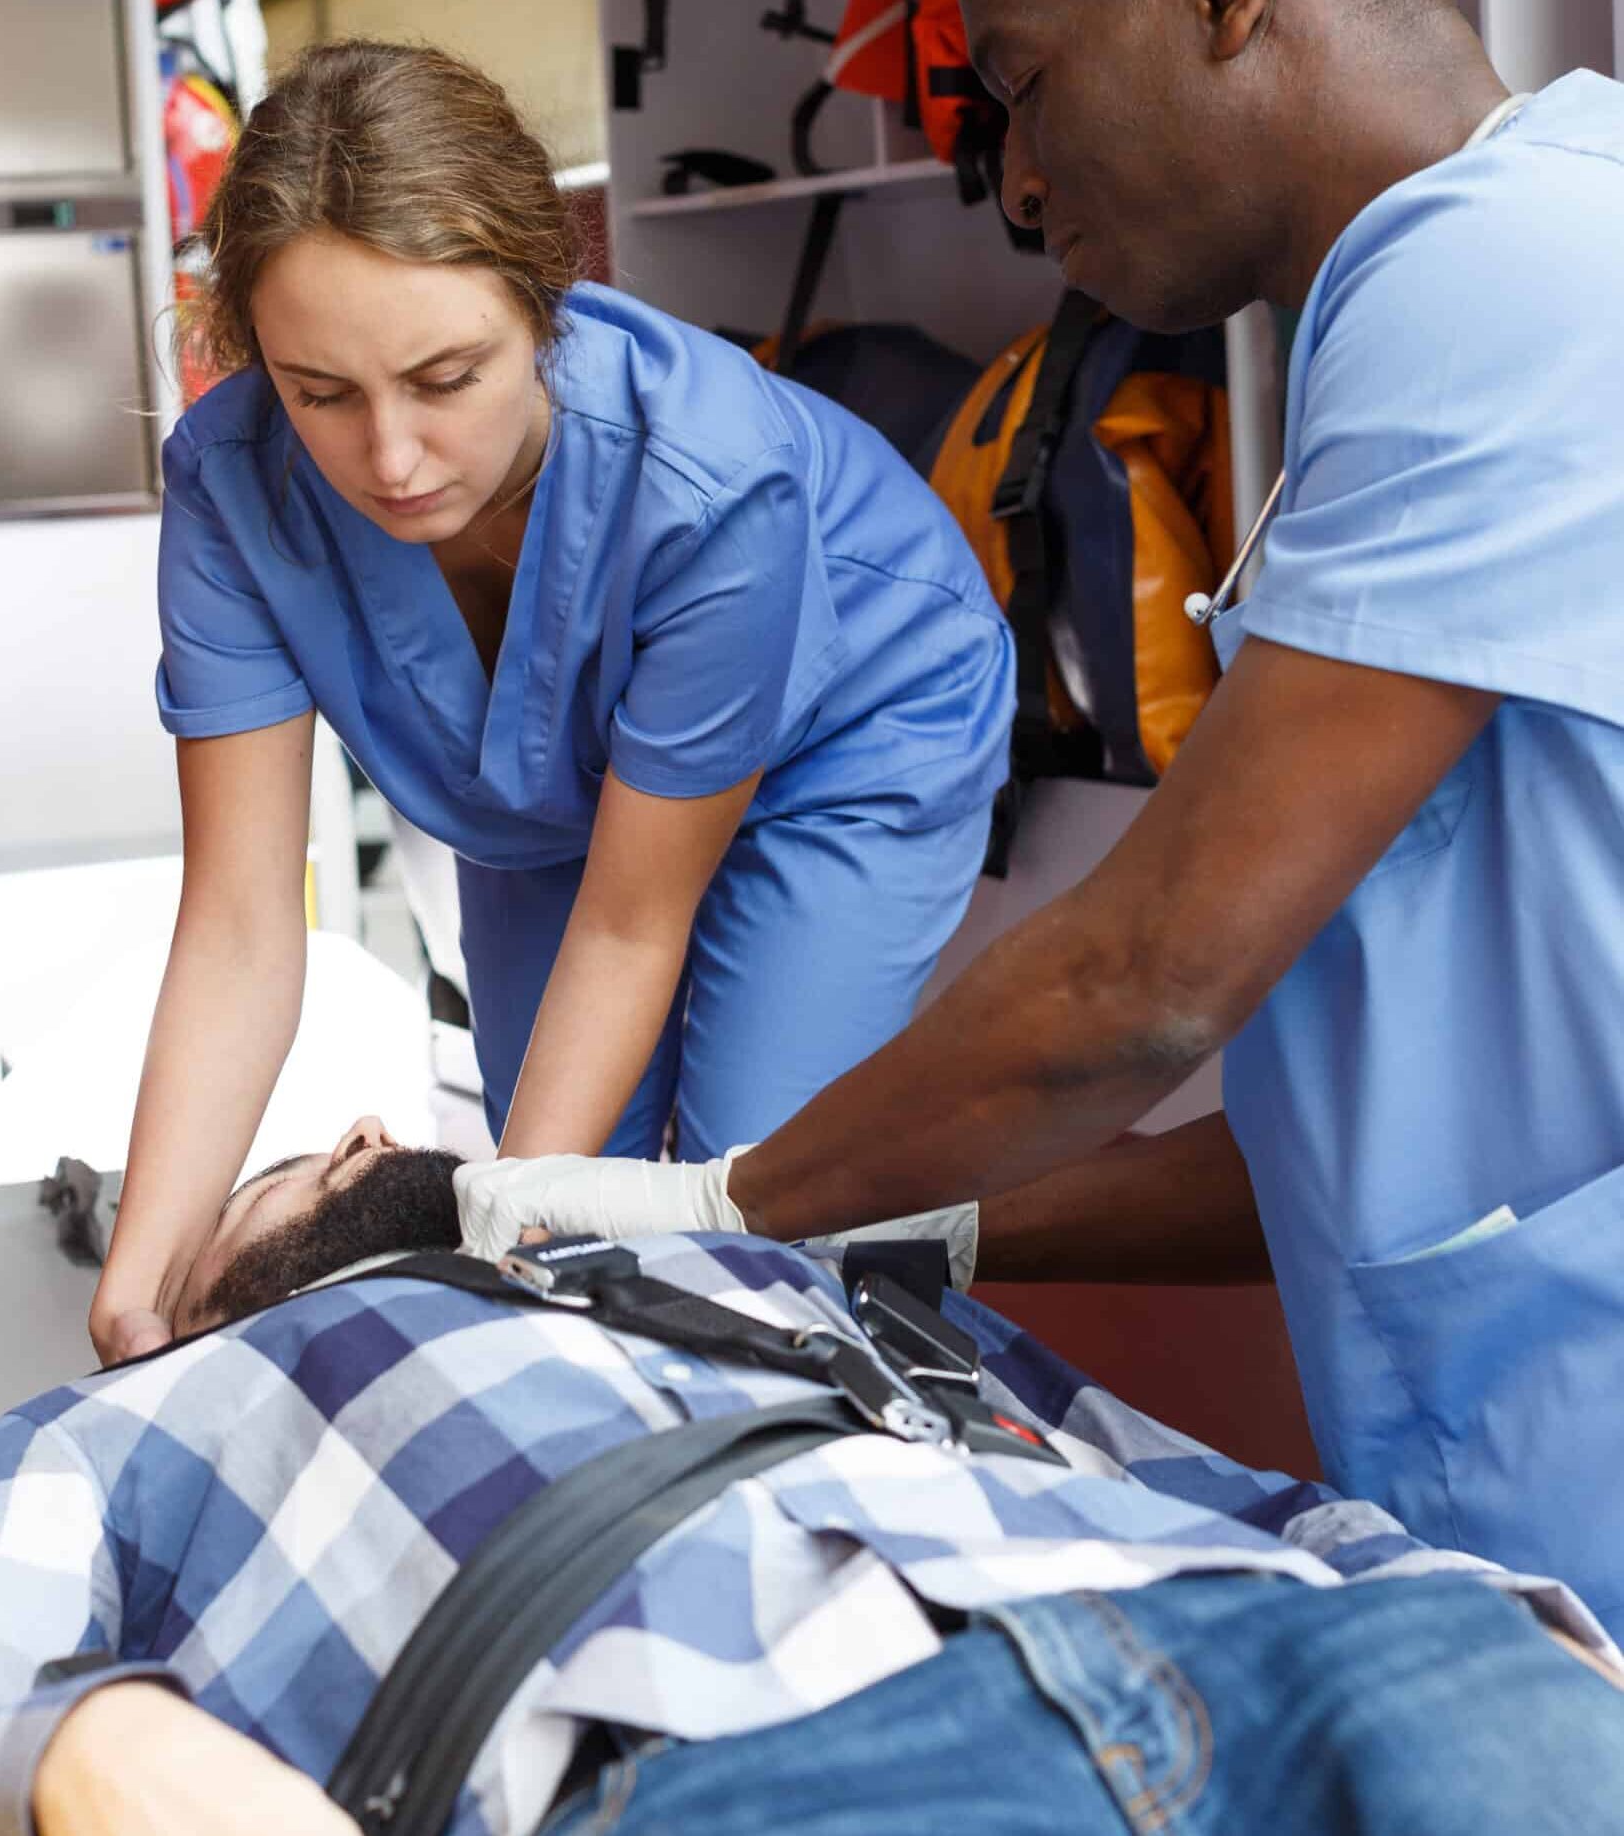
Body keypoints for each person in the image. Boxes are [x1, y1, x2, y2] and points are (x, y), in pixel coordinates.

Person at [453, 1, 1624, 1639]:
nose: (1008, 182)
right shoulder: (1471, 275)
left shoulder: (1497, 277)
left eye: (1020, 83)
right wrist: (925, 1226)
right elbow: (1371, 1158)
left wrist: (725, 1206)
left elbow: (1143, 981)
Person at [0, 1140, 1621, 1836]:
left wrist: (1491, 1614)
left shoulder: (777, 1284)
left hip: (1314, 1656)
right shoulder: (109, 1432)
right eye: (274, 1171)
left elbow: (1214, 1485)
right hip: (742, 1774)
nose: (343, 1144)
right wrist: (100, 1758)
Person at [89, 39, 1016, 1368]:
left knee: (761, 1228)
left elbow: (636, 926)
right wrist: (138, 1289)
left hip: (847, 732)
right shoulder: (232, 485)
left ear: (545, 305)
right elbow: (241, 925)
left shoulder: (710, 483)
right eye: (321, 395)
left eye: (447, 377)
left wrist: (496, 1306)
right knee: (558, 1203)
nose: (392, 459)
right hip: (544, 800)